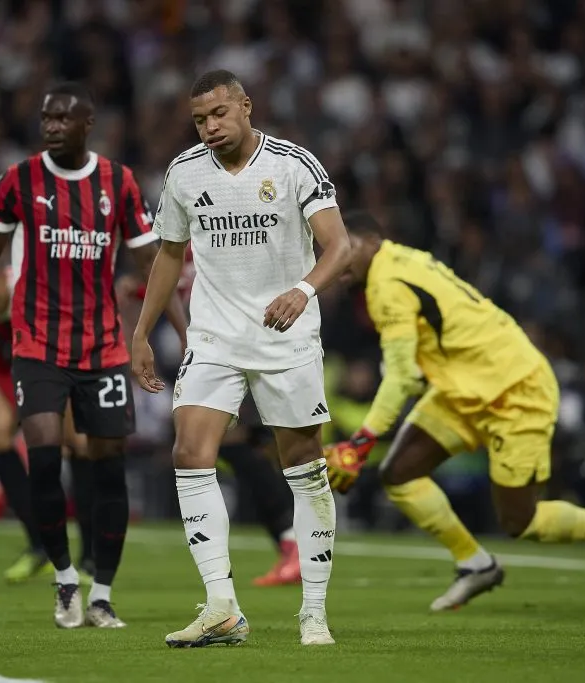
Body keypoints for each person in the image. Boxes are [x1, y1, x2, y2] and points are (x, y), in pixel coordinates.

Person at [323, 211, 585, 611]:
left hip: (514, 389)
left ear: (371, 241)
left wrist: (361, 441)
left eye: (345, 249)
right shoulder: (398, 261)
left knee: (521, 522)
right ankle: (474, 563)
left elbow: (401, 378)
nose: (337, 262)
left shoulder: (387, 284)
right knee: (399, 474)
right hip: (463, 389)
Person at [0, 81, 187, 629]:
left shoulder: (118, 183)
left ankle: (101, 593)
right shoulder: (17, 181)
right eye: (46, 118)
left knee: (108, 467)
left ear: (88, 124)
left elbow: (153, 265)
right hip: (35, 344)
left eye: (63, 119)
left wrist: (185, 333)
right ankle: (63, 579)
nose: (51, 126)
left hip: (102, 347)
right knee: (43, 453)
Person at [130, 69, 351, 647]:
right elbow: (169, 257)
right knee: (189, 451)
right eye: (200, 119)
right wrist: (142, 332)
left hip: (287, 335)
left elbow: (340, 247)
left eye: (219, 114)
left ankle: (314, 611)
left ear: (246, 107)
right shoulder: (183, 173)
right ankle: (221, 606)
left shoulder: (292, 164)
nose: (210, 127)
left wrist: (302, 291)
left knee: (304, 468)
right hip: (215, 336)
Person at [119, 247, 302, 586]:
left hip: (245, 351)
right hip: (215, 357)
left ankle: (295, 543)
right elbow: (161, 286)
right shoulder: (178, 256)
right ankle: (291, 544)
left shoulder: (212, 243)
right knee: (237, 449)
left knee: (252, 449)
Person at [0, 248, 95, 584]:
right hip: (17, 370)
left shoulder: (32, 296)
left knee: (77, 444)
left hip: (64, 363)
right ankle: (40, 545)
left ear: (2, 277)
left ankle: (90, 558)